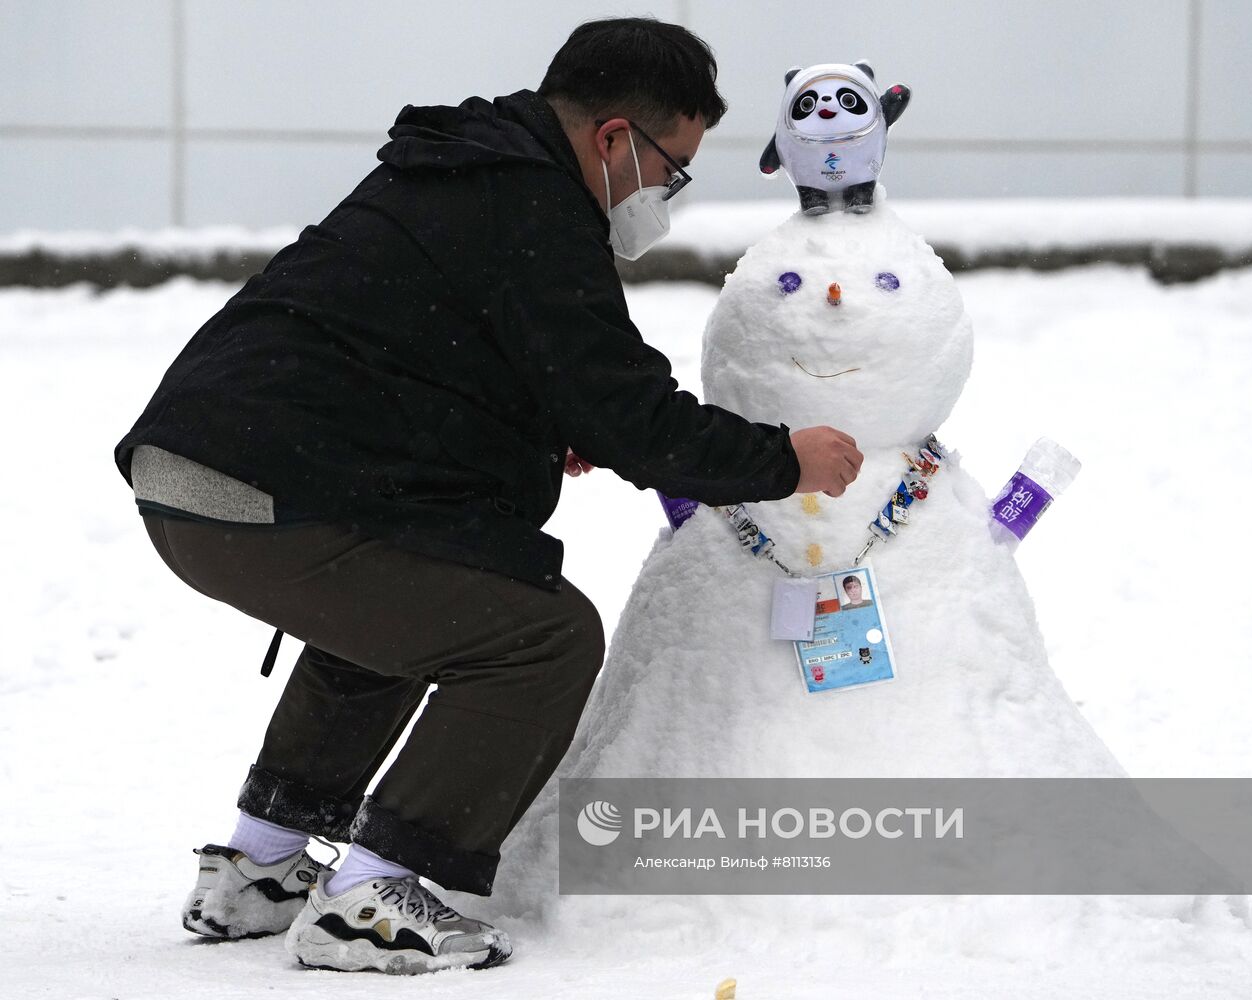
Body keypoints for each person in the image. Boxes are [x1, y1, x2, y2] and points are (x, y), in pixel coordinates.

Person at [113, 17, 863, 975]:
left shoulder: (456, 167)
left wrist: (532, 423)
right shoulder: (535, 209)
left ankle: (259, 868)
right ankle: (373, 900)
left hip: (203, 469)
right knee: (535, 637)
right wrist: (779, 460)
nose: (659, 196)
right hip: (262, 489)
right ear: (612, 139)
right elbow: (628, 410)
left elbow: (410, 345)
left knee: (418, 599)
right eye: (668, 169)